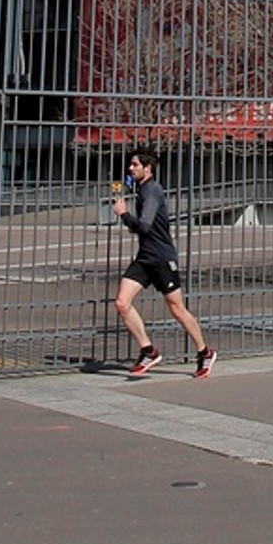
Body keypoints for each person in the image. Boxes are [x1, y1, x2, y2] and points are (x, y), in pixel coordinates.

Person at [110, 147, 213, 378]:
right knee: (122, 303)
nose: (130, 168)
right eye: (130, 164)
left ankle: (204, 352)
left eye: (135, 165)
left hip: (162, 258)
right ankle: (148, 351)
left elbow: (144, 226)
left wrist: (124, 215)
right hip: (145, 258)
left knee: (177, 309)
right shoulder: (141, 190)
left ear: (147, 169)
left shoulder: (153, 191)